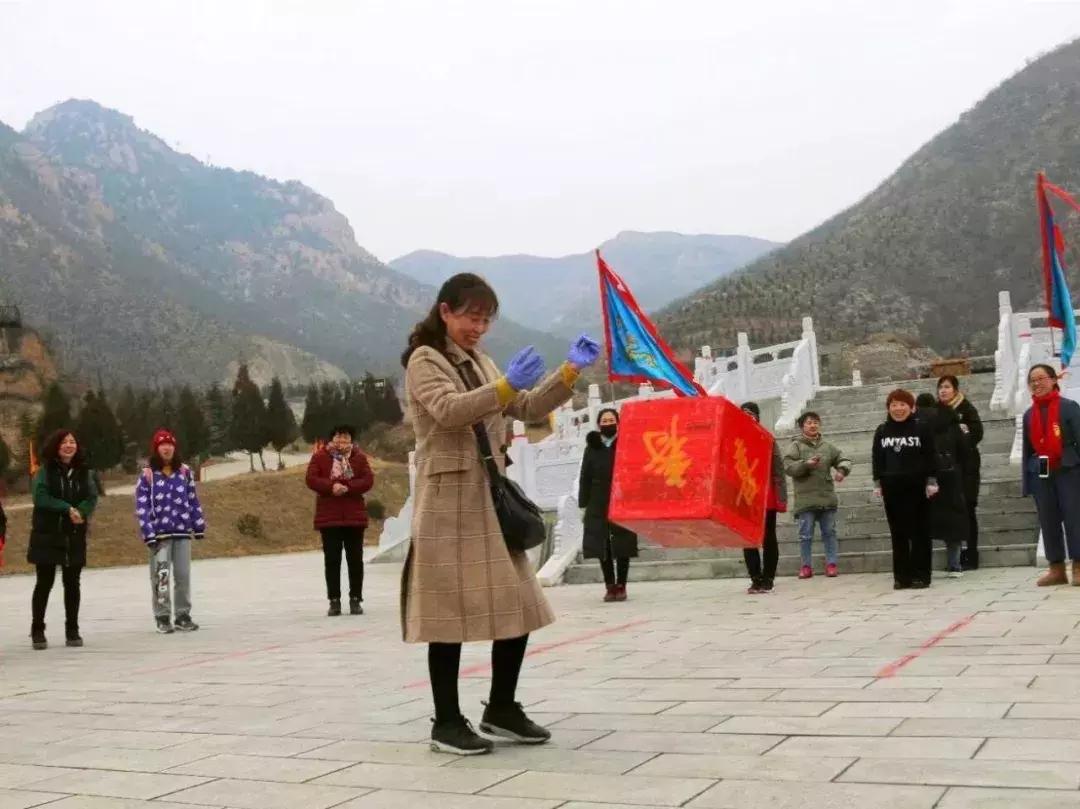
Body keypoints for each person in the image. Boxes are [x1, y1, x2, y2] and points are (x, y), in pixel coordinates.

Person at [401, 272, 600, 756]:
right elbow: (449, 411)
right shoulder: (424, 361)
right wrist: (506, 385)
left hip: (488, 494)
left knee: (518, 603)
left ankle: (502, 708)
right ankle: (446, 721)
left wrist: (568, 372)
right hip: (447, 496)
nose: (479, 327)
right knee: (446, 614)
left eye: (486, 319)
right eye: (471, 316)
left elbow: (526, 405)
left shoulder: (481, 359)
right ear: (445, 311)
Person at [27, 429, 98, 650]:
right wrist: (67, 508)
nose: (69, 445)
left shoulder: (83, 472)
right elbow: (40, 497)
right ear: (56, 446)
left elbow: (91, 496)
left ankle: (72, 629)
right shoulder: (45, 471)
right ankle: (37, 629)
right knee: (44, 582)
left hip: (74, 534)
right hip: (48, 534)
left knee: (72, 583)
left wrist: (82, 512)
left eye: (72, 442)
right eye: (64, 442)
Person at [135, 429, 206, 634]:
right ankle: (162, 616)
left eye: (170, 444)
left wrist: (198, 524)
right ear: (156, 449)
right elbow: (142, 506)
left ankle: (183, 615)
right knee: (161, 576)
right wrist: (148, 532)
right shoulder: (148, 475)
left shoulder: (184, 472)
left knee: (183, 576)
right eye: (162, 445)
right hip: (160, 536)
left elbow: (192, 500)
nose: (167, 448)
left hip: (182, 531)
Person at [306, 424, 375, 616]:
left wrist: (348, 487)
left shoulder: (359, 457)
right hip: (330, 517)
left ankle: (355, 599)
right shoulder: (320, 457)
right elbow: (311, 479)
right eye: (338, 437)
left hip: (354, 517)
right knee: (332, 560)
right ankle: (334, 600)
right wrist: (331, 486)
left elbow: (368, 480)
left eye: (346, 438)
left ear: (351, 440)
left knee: (355, 560)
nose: (342, 441)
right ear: (331, 439)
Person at [873, 389, 938, 590]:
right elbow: (877, 459)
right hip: (892, 489)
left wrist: (932, 481)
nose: (898, 408)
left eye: (902, 404)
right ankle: (901, 577)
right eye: (894, 404)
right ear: (888, 408)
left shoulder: (922, 428)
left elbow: (930, 456)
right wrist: (878, 483)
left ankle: (921, 575)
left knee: (920, 532)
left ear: (912, 407)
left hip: (918, 488)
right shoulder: (882, 431)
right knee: (898, 534)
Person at [1022, 364, 1080, 586]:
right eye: (1032, 380)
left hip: (1069, 468)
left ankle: (1078, 565)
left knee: (1075, 518)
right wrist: (1028, 481)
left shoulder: (1069, 407)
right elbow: (1028, 450)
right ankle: (1056, 568)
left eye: (1041, 378)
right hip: (1041, 470)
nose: (1037, 384)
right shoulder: (1029, 415)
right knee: (1048, 519)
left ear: (1054, 380)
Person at [578, 407, 638, 602]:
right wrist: (583, 503)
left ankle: (622, 585)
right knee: (602, 544)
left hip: (622, 498)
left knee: (623, 543)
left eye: (611, 420)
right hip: (598, 500)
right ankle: (609, 585)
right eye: (604, 421)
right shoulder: (592, 447)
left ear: (618, 423)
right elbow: (584, 476)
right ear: (598, 425)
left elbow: (636, 471)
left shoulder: (626, 443)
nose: (607, 423)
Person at [784, 411, 851, 579]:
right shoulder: (796, 446)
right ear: (802, 427)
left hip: (826, 498)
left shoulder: (827, 446)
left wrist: (842, 470)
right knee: (805, 535)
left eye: (815, 422)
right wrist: (805, 464)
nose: (813, 425)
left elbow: (844, 458)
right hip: (805, 501)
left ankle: (831, 564)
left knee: (829, 533)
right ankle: (806, 567)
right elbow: (789, 467)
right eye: (809, 423)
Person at [916, 393, 970, 578]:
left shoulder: (916, 423)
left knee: (922, 524)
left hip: (925, 478)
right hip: (951, 477)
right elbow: (965, 452)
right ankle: (955, 565)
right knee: (953, 523)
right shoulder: (952, 424)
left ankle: (922, 566)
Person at [740, 402, 787, 593]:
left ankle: (768, 578)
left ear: (758, 416)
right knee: (747, 539)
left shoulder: (767, 438)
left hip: (766, 496)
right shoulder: (734, 438)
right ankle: (755, 578)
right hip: (744, 496)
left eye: (750, 414)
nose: (747, 417)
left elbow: (778, 470)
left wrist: (781, 497)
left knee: (768, 538)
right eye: (743, 414)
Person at [938, 375, 983, 570]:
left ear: (955, 389)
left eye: (947, 387)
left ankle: (971, 554)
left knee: (968, 509)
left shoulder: (966, 409)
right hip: (947, 468)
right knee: (951, 511)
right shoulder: (937, 411)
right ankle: (954, 557)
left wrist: (962, 439)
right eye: (940, 387)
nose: (943, 391)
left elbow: (977, 433)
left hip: (967, 468)